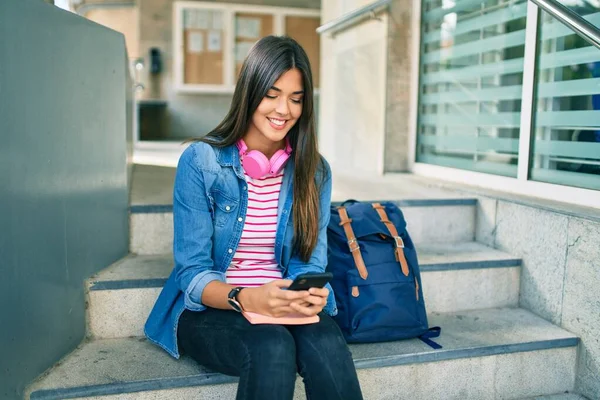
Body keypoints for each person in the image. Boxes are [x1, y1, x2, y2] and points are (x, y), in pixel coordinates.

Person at [144, 35, 364, 400]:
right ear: (250, 92)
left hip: (281, 303)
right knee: (272, 346)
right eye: (272, 94)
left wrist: (308, 294)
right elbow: (193, 273)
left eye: (296, 99)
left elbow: (309, 262)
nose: (284, 110)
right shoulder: (201, 161)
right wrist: (246, 298)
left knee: (325, 341)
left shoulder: (314, 171)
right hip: (215, 306)